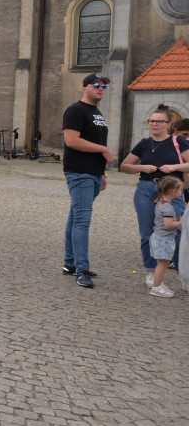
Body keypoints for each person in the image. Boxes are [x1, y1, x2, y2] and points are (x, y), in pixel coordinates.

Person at [119, 104, 189, 278]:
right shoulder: (144, 143)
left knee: (177, 232)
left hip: (173, 190)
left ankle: (183, 274)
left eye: (159, 121)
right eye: (151, 121)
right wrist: (142, 167)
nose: (154, 124)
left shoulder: (178, 142)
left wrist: (174, 166)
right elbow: (125, 166)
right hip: (147, 189)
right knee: (147, 233)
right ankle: (151, 272)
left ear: (169, 124)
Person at [61, 74, 113, 289]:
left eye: (104, 86)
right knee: (82, 220)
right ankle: (82, 269)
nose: (101, 89)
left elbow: (96, 139)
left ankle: (70, 263)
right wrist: (103, 149)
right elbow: (71, 141)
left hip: (94, 173)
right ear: (84, 88)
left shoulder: (96, 112)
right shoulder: (76, 110)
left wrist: (103, 174)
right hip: (79, 172)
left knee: (75, 217)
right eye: (97, 85)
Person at [147, 176, 184, 297]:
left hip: (159, 237)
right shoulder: (168, 207)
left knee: (163, 263)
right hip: (164, 239)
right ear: (173, 191)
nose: (181, 193)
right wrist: (181, 222)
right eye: (180, 190)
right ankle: (156, 287)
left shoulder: (161, 203)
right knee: (163, 264)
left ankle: (158, 283)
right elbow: (168, 225)